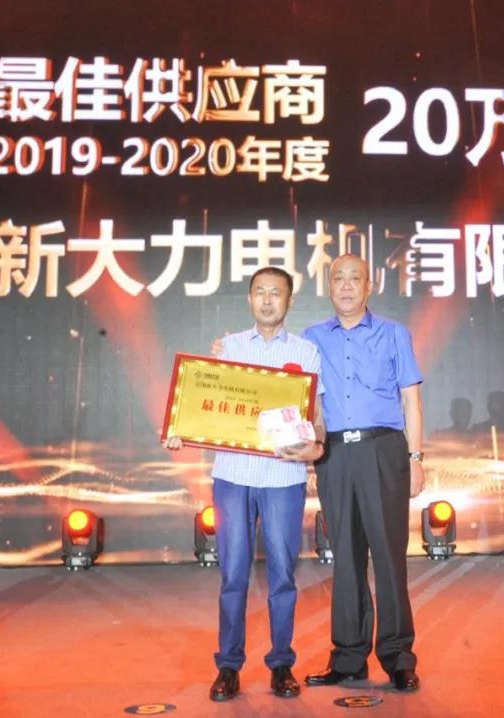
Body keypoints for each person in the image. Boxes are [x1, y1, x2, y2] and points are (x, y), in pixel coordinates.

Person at [166, 267, 326, 702]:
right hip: (233, 476)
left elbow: (317, 418)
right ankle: (229, 665)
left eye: (277, 293)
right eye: (260, 292)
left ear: (290, 301)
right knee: (233, 575)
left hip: (284, 477)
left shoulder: (306, 352)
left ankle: (282, 664)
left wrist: (316, 446)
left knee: (283, 575)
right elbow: (204, 405)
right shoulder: (228, 347)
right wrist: (181, 429)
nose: (268, 300)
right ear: (249, 299)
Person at [301, 254, 425, 692]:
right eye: (339, 278)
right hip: (334, 455)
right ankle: (349, 657)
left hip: (383, 451)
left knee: (389, 556)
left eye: (355, 278)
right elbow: (304, 399)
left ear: (369, 286)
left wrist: (416, 458)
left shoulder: (394, 333)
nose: (347, 286)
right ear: (329, 286)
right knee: (346, 557)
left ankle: (398, 657)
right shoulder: (311, 339)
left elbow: (411, 400)